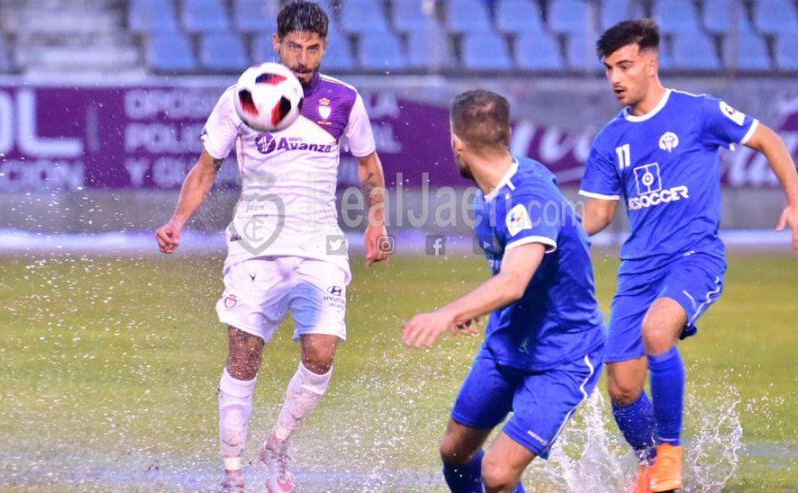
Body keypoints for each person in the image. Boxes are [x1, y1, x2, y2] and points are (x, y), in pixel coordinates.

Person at [153, 2, 391, 492]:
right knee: (244, 355)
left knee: (322, 353)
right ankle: (233, 472)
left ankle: (278, 445)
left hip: (320, 246)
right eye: (294, 47)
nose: (303, 58)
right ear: (276, 44)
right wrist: (178, 220)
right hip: (255, 246)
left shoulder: (344, 101)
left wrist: (376, 222)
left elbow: (369, 167)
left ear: (325, 47)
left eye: (313, 48)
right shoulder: (244, 97)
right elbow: (207, 168)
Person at [579, 19, 798, 493]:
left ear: (652, 64)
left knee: (657, 331)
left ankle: (670, 454)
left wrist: (797, 202)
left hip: (695, 257)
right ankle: (656, 468)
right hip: (638, 271)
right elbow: (598, 214)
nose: (615, 78)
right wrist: (553, 229)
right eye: (609, 69)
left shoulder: (699, 112)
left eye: (625, 66)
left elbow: (768, 139)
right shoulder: (610, 140)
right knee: (623, 388)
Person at [402, 89, 606, 493]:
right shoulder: (492, 193)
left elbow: (514, 281)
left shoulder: (529, 195)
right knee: (456, 452)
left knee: (497, 474)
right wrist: (476, 308)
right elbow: (508, 273)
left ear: (455, 141)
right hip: (507, 345)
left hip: (562, 355)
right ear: (504, 134)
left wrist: (448, 313)